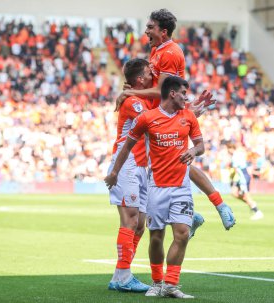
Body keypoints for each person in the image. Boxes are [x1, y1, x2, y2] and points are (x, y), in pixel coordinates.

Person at [116, 9, 235, 234]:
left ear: (163, 31)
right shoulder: (158, 51)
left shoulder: (169, 53)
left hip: (163, 117)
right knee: (163, 169)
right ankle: (196, 214)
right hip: (159, 116)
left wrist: (132, 95)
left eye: (150, 27)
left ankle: (217, 206)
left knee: (178, 163)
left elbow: (163, 91)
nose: (146, 31)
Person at [106, 76, 204, 298]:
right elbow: (127, 145)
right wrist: (114, 172)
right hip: (156, 186)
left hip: (181, 186)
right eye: (183, 93)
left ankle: (171, 284)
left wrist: (193, 151)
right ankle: (157, 282)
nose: (186, 98)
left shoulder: (188, 117)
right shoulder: (148, 118)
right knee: (156, 237)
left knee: (182, 233)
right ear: (172, 93)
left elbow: (201, 145)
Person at [107, 58, 153, 292]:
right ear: (139, 79)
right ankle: (124, 276)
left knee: (140, 224)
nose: (153, 74)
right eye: (149, 72)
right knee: (131, 219)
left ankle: (119, 275)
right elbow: (151, 123)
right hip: (127, 164)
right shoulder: (133, 102)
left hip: (141, 166)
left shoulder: (140, 99)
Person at [228, 143, 264, 220]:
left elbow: (235, 170)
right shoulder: (240, 154)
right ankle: (252, 204)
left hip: (242, 177)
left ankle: (257, 212)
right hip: (243, 175)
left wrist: (232, 178)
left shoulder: (234, 157)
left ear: (230, 148)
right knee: (233, 193)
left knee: (246, 195)